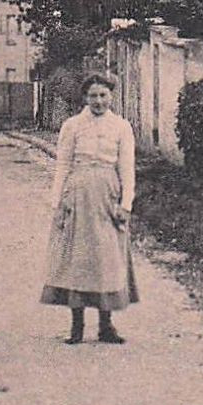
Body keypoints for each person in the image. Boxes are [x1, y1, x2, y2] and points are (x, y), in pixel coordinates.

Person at [40, 73, 138, 344]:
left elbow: (127, 168)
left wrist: (126, 203)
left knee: (107, 258)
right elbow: (62, 166)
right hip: (78, 193)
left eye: (103, 95)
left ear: (111, 96)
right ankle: (77, 326)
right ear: (85, 98)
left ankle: (106, 326)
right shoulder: (72, 126)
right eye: (93, 96)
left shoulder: (121, 127)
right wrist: (57, 203)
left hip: (108, 194)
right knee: (77, 258)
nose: (98, 101)